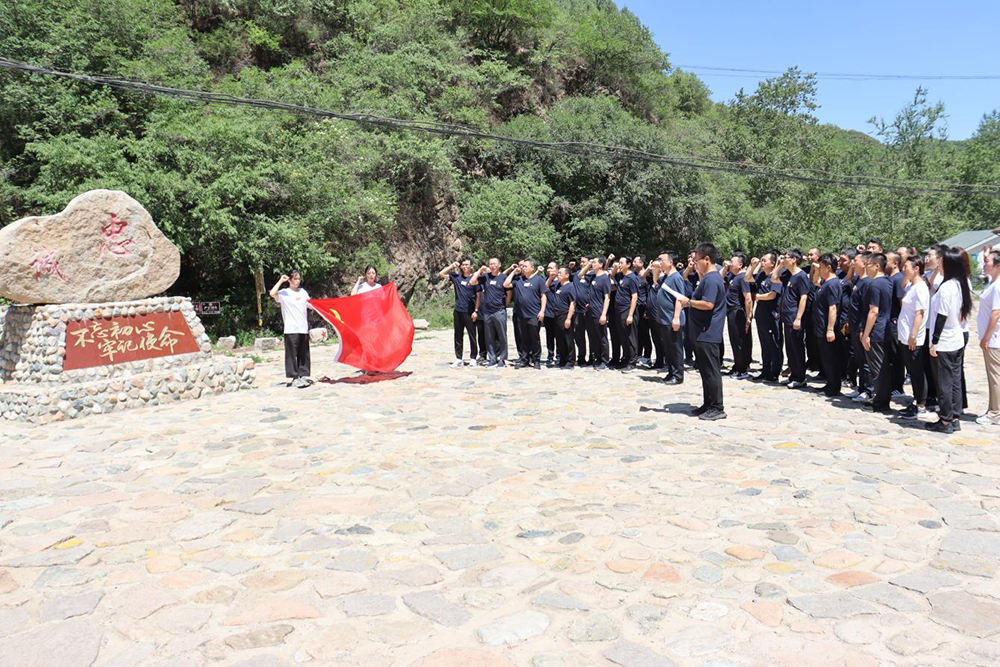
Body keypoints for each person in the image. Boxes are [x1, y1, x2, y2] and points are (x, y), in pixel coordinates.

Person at [677, 242, 727, 420]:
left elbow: (708, 304)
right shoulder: (707, 277)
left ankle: (717, 407)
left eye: (696, 260)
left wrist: (689, 302)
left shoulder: (712, 279)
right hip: (701, 332)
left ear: (707, 259)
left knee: (711, 371)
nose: (694, 263)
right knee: (705, 371)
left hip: (708, 332)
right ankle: (708, 403)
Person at [927, 247, 972, 433]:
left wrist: (934, 342)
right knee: (954, 381)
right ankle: (954, 417)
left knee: (944, 382)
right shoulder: (960, 284)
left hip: (944, 340)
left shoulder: (947, 288)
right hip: (956, 337)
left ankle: (945, 420)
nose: (939, 264)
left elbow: (941, 316)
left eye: (942, 261)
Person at [861, 253, 894, 413]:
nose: (866, 267)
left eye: (868, 264)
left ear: (876, 266)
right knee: (882, 366)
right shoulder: (888, 281)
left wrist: (866, 334)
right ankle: (881, 398)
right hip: (885, 328)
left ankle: (881, 402)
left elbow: (873, 311)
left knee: (877, 368)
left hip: (876, 331)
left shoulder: (874, 284)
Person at [897, 256, 929, 420]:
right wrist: (906, 275)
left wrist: (913, 335)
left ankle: (921, 405)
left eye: (907, 267)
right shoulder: (911, 286)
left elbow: (919, 313)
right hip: (904, 335)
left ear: (916, 269)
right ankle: (916, 400)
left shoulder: (921, 288)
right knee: (911, 369)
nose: (904, 269)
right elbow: (902, 286)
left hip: (913, 336)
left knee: (917, 372)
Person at [269, 270, 312, 388]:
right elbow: (272, 293)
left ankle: (303, 375)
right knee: (292, 354)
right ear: (289, 280)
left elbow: (310, 303)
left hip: (303, 327)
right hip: (291, 328)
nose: (297, 281)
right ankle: (294, 377)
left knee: (304, 353)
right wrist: (280, 281)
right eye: (295, 279)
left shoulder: (303, 292)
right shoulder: (284, 293)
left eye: (299, 279)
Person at [470, 258, 514, 368]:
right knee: (489, 336)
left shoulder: (503, 277)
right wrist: (480, 270)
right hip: (487, 311)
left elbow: (509, 294)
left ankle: (502, 359)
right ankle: (492, 358)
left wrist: (504, 305)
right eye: (490, 264)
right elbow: (472, 282)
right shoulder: (485, 277)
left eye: (494, 264)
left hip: (499, 310)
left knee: (502, 335)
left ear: (499, 265)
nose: (492, 266)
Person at [504, 258, 546, 369]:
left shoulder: (539, 280)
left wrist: (542, 311)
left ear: (532, 268)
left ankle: (536, 360)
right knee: (523, 338)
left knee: (534, 338)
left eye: (525, 266)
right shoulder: (518, 280)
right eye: (522, 266)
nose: (523, 268)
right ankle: (524, 359)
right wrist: (513, 272)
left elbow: (543, 296)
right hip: (521, 315)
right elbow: (506, 284)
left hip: (533, 314)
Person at [439, 258, 481, 367]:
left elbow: (478, 296)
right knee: (458, 335)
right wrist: (452, 266)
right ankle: (458, 358)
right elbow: (442, 274)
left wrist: (476, 311)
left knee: (472, 335)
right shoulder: (457, 277)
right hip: (458, 310)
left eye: (467, 264)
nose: (465, 266)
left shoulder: (474, 279)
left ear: (471, 266)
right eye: (463, 265)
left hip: (469, 311)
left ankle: (473, 358)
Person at [779, 249, 811, 389]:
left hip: (794, 316)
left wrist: (798, 318)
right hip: (786, 316)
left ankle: (800, 377)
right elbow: (774, 277)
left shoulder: (801, 276)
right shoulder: (789, 275)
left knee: (797, 348)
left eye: (786, 257)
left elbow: (804, 297)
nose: (783, 259)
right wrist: (780, 265)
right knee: (790, 348)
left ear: (793, 259)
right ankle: (793, 375)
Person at [812, 253, 842, 397]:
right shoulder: (825, 283)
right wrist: (817, 270)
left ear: (828, 267)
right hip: (820, 327)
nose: (819, 268)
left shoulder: (833, 284)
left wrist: (830, 329)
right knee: (825, 358)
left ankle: (834, 387)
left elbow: (833, 308)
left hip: (827, 328)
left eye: (821, 266)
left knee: (831, 358)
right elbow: (815, 281)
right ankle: (829, 383)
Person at [654, 251, 686, 385]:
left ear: (670, 262)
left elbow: (679, 298)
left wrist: (676, 317)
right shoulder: (666, 277)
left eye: (662, 260)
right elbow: (655, 281)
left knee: (675, 348)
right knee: (668, 348)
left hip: (672, 319)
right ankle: (671, 372)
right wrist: (656, 269)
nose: (659, 262)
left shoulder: (676, 278)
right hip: (664, 319)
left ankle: (678, 375)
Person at [753, 251, 783, 383]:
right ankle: (765, 370)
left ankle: (774, 372)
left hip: (771, 316)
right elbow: (748, 277)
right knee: (764, 345)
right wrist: (755, 265)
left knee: (773, 345)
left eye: (764, 260)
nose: (762, 262)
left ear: (773, 263)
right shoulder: (761, 276)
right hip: (761, 315)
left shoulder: (775, 277)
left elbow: (772, 295)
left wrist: (758, 297)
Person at [978, 249, 1000, 426]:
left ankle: (995, 413)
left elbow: (996, 313)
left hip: (994, 338)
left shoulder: (998, 286)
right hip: (991, 338)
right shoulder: (992, 283)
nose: (984, 264)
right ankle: (993, 408)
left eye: (987, 261)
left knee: (995, 377)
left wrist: (986, 337)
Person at [723, 252, 753, 379]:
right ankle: (737, 365)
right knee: (734, 341)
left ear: (740, 265)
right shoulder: (734, 277)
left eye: (732, 262)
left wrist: (749, 315)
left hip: (738, 312)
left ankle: (743, 369)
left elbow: (748, 298)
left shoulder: (743, 277)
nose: (730, 264)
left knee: (741, 341)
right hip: (731, 312)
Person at [612, 257, 641, 372]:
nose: (619, 264)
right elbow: (611, 276)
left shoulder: (632, 278)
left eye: (621, 263)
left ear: (628, 264)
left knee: (630, 337)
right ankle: (626, 359)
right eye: (619, 262)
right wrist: (615, 268)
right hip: (619, 311)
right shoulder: (620, 276)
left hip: (627, 310)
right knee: (623, 337)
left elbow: (634, 297)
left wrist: (630, 315)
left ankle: (632, 362)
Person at [586, 256, 612, 370]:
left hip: (599, 311)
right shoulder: (593, 277)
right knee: (594, 337)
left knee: (602, 337)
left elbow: (607, 297)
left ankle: (605, 361)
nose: (592, 264)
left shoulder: (604, 278)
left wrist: (604, 314)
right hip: (590, 311)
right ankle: (597, 358)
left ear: (601, 264)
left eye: (594, 262)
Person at [549, 267, 577, 368]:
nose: (558, 274)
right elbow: (546, 286)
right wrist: (551, 277)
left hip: (565, 315)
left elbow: (573, 303)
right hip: (556, 315)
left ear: (567, 275)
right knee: (560, 340)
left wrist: (568, 318)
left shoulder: (570, 287)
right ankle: (563, 359)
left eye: (560, 273)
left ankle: (570, 361)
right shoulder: (557, 285)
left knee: (568, 339)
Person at [573, 256, 591, 366]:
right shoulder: (576, 275)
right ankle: (581, 357)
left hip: (590, 310)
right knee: (579, 336)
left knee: (592, 335)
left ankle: (593, 357)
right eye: (581, 262)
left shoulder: (593, 275)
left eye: (584, 262)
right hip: (578, 310)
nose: (581, 263)